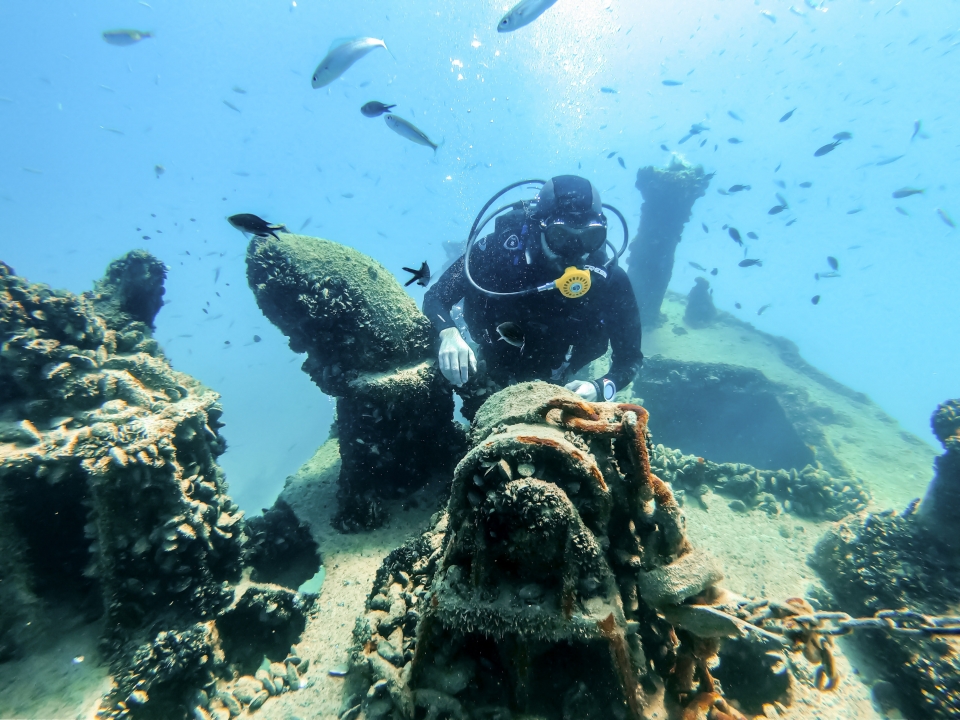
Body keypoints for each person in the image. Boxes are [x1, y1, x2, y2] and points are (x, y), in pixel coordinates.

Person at [423, 175, 643, 416]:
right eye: (560, 236)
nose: (575, 251)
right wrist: (449, 333)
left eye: (590, 238)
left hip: (561, 373)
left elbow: (630, 359)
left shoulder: (610, 280)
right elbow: (436, 296)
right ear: (540, 226)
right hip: (493, 357)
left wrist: (600, 387)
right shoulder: (498, 251)